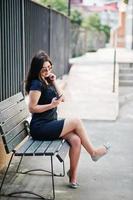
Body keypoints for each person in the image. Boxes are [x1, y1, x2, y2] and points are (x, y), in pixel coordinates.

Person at [25, 50, 110, 189]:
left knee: (76, 140)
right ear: (37, 69)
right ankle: (93, 153)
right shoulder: (36, 84)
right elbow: (32, 108)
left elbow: (62, 98)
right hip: (40, 127)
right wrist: (51, 105)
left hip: (49, 124)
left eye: (49, 68)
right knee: (76, 121)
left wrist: (54, 82)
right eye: (44, 69)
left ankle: (73, 176)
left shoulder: (46, 81)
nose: (47, 71)